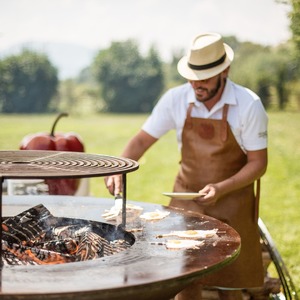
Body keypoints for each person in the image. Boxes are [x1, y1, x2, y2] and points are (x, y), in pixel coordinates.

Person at [105, 32, 268, 300]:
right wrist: (119, 168)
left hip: (234, 201)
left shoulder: (248, 105)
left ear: (224, 71)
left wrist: (222, 187)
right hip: (186, 201)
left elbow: (258, 164)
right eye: (192, 77)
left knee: (230, 283)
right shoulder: (175, 98)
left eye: (204, 78)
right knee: (183, 278)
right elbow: (141, 140)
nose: (196, 84)